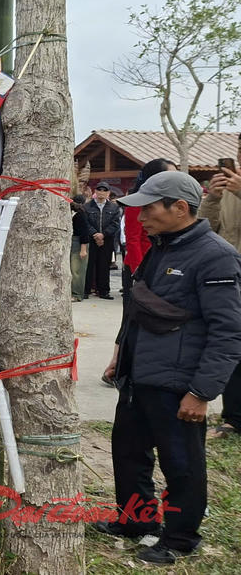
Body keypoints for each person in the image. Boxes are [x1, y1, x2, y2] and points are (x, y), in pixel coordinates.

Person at [96, 171, 241, 565]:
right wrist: (118, 356)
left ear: (180, 208)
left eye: (148, 209)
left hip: (178, 383)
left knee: (181, 464)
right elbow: (140, 308)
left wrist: (201, 392)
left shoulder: (216, 256)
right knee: (128, 452)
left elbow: (228, 333)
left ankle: (179, 538)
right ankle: (135, 521)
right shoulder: (162, 247)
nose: (140, 218)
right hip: (139, 373)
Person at [202, 151, 241, 437]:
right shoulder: (229, 189)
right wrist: (213, 198)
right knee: (232, 346)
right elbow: (205, 229)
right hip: (232, 278)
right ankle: (233, 419)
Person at [123, 160, 179, 302]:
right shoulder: (137, 204)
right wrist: (140, 273)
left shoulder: (171, 204)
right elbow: (133, 240)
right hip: (141, 266)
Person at [84, 181, 122, 300]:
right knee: (89, 266)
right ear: (95, 192)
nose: (102, 192)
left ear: (108, 193)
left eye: (104, 190)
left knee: (104, 266)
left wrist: (103, 235)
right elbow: (86, 223)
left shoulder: (114, 207)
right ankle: (86, 290)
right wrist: (95, 234)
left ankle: (104, 291)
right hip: (91, 239)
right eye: (99, 190)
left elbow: (115, 224)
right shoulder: (87, 206)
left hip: (107, 240)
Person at [70, 195, 92, 302]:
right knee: (73, 269)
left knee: (77, 270)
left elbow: (85, 233)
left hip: (79, 243)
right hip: (73, 241)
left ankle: (77, 294)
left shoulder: (81, 214)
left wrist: (83, 249)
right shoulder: (73, 214)